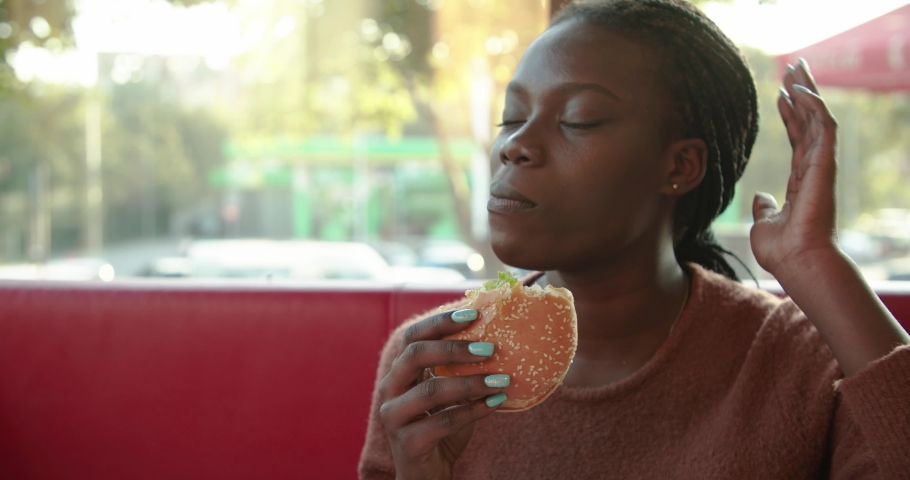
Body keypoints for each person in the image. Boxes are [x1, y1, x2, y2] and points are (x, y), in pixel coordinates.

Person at [359, 1, 910, 478]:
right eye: (513, 117)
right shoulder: (434, 364)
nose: (515, 146)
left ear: (680, 165)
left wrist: (817, 263)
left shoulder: (803, 361)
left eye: (577, 120)